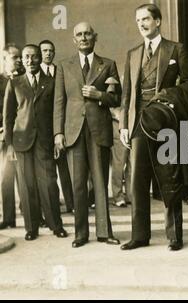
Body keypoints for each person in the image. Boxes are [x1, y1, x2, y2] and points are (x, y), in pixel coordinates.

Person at [119, 4, 188, 251]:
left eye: (146, 19)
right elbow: (127, 95)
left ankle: (174, 236)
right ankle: (140, 235)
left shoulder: (175, 49)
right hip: (139, 122)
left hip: (165, 120)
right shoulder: (132, 54)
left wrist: (165, 95)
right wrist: (123, 125)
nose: (142, 24)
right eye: (138, 19)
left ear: (158, 21)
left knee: (169, 176)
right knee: (137, 181)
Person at [54, 22, 122, 248]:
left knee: (101, 182)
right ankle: (80, 234)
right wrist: (58, 133)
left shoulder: (108, 65)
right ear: (74, 39)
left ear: (95, 36)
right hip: (73, 131)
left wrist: (99, 94)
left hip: (98, 130)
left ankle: (104, 232)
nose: (83, 37)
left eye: (87, 34)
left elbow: (116, 99)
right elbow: (59, 102)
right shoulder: (64, 66)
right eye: (79, 34)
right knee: (78, 184)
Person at [3, 44, 68, 240]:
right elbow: (8, 117)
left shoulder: (52, 82)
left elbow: (58, 112)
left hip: (45, 141)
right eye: (26, 57)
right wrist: (10, 145)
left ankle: (56, 225)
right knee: (26, 184)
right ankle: (31, 228)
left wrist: (57, 137)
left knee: (49, 183)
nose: (30, 61)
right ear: (22, 60)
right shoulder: (14, 84)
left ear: (41, 59)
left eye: (34, 57)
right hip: (21, 142)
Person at [39, 39, 74, 214]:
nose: (48, 53)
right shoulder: (36, 73)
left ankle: (71, 204)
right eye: (44, 50)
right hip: (44, 129)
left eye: (51, 50)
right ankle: (51, 207)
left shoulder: (61, 70)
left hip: (62, 125)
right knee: (48, 172)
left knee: (65, 168)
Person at [0, 44, 22, 230]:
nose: (18, 60)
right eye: (14, 57)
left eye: (19, 56)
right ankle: (8, 219)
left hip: (23, 135)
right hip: (4, 137)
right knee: (6, 178)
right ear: (5, 59)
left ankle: (33, 215)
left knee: (26, 176)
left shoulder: (25, 79)